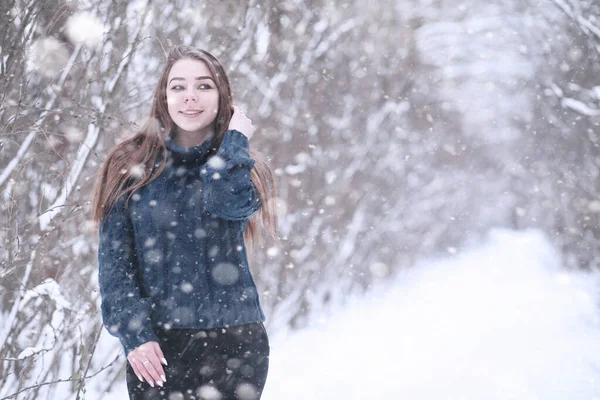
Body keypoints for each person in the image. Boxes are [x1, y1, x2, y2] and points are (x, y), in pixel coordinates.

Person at [92, 45, 278, 400]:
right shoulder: (131, 165)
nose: (190, 97)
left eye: (204, 86)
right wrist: (135, 335)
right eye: (178, 86)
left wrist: (235, 141)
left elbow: (227, 202)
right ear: (164, 95)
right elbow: (115, 264)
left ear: (222, 97)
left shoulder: (239, 164)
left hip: (237, 342)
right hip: (159, 347)